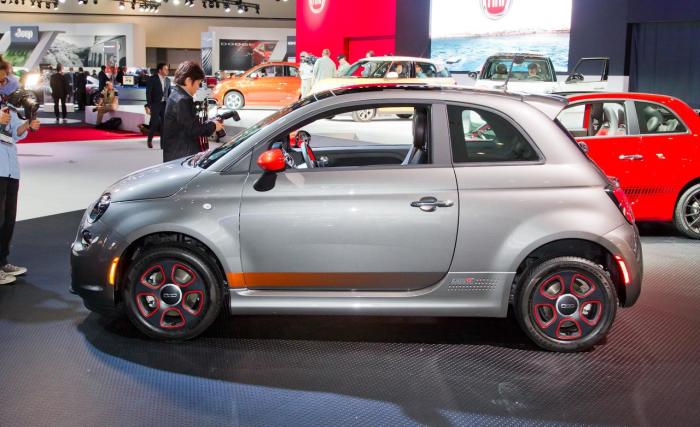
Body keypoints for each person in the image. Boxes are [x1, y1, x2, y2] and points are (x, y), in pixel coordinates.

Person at [0, 55, 40, 285]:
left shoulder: (8, 101)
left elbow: (14, 131)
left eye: (5, 79)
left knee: (8, 218)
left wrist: (27, 125)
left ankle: (2, 260)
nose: (4, 83)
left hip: (10, 167)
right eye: (0, 80)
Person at [161, 61, 223, 162]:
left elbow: (187, 125)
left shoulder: (175, 94)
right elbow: (193, 130)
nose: (198, 87)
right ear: (188, 80)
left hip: (175, 153)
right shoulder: (183, 100)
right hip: (183, 156)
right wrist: (214, 126)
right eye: (198, 83)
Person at [145, 62, 171, 149]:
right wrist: (149, 105)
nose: (167, 70)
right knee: (155, 123)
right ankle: (149, 139)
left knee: (164, 125)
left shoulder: (168, 80)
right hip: (155, 104)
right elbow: (148, 92)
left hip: (165, 105)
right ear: (160, 70)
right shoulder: (152, 79)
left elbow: (169, 93)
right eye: (165, 69)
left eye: (167, 69)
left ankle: (163, 145)